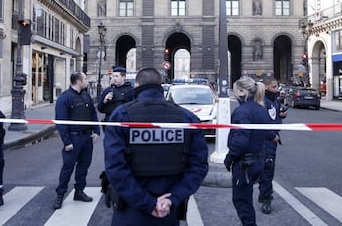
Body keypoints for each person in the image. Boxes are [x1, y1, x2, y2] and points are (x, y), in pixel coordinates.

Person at [104, 67, 209, 226]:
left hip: (130, 209)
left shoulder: (121, 115)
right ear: (161, 86)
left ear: (137, 85)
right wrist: (173, 198)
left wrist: (147, 203)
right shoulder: (187, 118)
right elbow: (199, 166)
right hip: (168, 210)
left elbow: (115, 167)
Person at [224, 77, 271, 226]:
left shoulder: (241, 111)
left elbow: (240, 141)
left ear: (243, 91)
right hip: (258, 158)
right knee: (246, 196)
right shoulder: (261, 108)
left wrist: (229, 158)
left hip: (245, 163)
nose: (234, 94)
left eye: (236, 90)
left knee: (241, 200)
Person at [53, 72, 100, 210]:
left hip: (87, 138)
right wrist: (67, 142)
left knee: (83, 166)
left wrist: (96, 131)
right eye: (85, 79)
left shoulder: (86, 96)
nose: (87, 81)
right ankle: (60, 194)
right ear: (78, 81)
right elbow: (61, 122)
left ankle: (79, 191)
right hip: (73, 138)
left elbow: (93, 114)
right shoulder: (65, 98)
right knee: (68, 167)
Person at [258, 76, 286, 214]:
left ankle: (266, 198)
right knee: (264, 169)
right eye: (274, 87)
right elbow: (260, 122)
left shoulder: (274, 101)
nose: (276, 89)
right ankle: (264, 197)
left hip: (272, 141)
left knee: (268, 170)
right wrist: (272, 134)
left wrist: (281, 115)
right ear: (266, 87)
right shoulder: (261, 101)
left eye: (277, 86)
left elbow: (274, 116)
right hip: (264, 140)